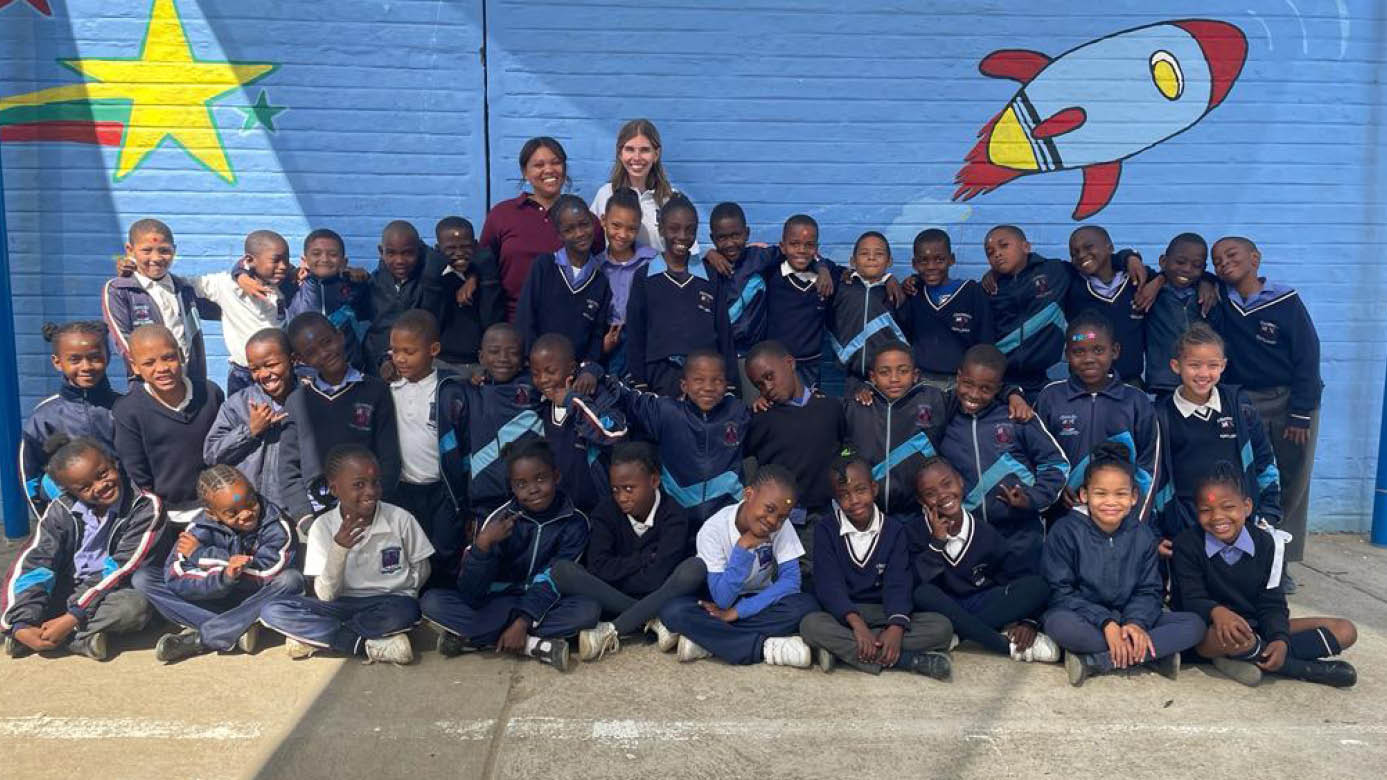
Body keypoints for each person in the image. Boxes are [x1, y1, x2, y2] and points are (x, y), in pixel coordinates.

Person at [421, 440, 601, 672]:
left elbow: (555, 578)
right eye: (521, 484)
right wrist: (483, 546)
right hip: (499, 603)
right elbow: (471, 593)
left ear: (556, 476)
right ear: (512, 487)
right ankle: (531, 645)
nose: (533, 489)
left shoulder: (574, 522)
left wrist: (522, 621)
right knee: (432, 602)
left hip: (545, 604)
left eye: (540, 478)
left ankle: (477, 639)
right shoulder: (499, 521)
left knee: (588, 610)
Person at [1172, 463, 1357, 688]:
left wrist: (1280, 639)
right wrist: (1217, 612)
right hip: (1213, 634)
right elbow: (1190, 600)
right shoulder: (1187, 544)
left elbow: (1272, 601)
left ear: (1247, 506)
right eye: (1205, 510)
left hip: (1257, 626)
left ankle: (1255, 656)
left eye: (1228, 506)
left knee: (1345, 630)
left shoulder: (1266, 544)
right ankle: (1298, 668)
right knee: (1225, 638)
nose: (1217, 517)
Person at [1042, 443, 1205, 686]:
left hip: (1128, 616)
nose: (1111, 502)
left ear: (1133, 497)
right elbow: (1060, 592)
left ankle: (1097, 661)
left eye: (1120, 494)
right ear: (1085, 495)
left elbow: (1149, 591)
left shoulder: (1143, 534)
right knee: (1060, 625)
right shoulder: (1066, 531)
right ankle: (1149, 654)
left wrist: (1135, 623)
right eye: (1100, 494)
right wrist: (1106, 623)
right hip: (1085, 618)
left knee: (1194, 625)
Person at [1208, 236, 1321, 578]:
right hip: (1244, 401)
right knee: (1248, 478)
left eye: (1232, 255)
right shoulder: (1219, 303)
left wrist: (1301, 412)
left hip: (1291, 403)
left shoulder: (1286, 301)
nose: (1224, 262)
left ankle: (1280, 560)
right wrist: (1207, 282)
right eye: (1217, 260)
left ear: (1255, 258)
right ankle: (1247, 554)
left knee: (1291, 481)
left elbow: (1307, 357)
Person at [260, 445, 431, 664]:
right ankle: (365, 644)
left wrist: (405, 588)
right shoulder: (323, 527)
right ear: (334, 489)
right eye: (359, 485)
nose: (370, 491)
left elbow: (422, 569)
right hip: (339, 604)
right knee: (273, 610)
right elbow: (326, 595)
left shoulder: (400, 519)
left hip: (388, 603)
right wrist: (339, 548)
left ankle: (316, 637)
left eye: (375, 482)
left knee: (408, 609)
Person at [2, 435, 160, 660]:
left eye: (102, 474)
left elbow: (121, 568)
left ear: (112, 462)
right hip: (66, 589)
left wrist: (73, 616)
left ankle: (65, 636)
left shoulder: (143, 506)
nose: (100, 486)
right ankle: (45, 635)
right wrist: (20, 622)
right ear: (70, 491)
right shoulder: (61, 510)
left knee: (135, 607)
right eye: (85, 487)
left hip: (110, 589)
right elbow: (36, 561)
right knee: (26, 596)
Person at [799, 456, 954, 678]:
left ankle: (843, 651)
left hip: (882, 611)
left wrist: (896, 627)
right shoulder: (826, 529)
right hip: (844, 614)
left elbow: (898, 583)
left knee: (942, 628)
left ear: (874, 489)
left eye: (860, 490)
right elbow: (828, 585)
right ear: (836, 499)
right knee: (810, 625)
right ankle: (907, 660)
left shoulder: (894, 530)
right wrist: (857, 626)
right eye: (844, 495)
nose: (854, 500)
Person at [137, 465, 303, 662]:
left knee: (291, 580)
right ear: (212, 514)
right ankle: (240, 626)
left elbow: (269, 572)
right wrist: (223, 577)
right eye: (232, 513)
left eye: (251, 503)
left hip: (258, 597)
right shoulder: (199, 527)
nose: (246, 514)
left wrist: (202, 556)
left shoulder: (277, 524)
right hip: (216, 597)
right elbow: (176, 575)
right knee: (144, 579)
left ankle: (204, 638)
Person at [658, 465, 820, 667]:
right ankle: (764, 648)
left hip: (759, 600)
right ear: (748, 494)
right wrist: (742, 548)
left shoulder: (780, 526)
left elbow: (791, 581)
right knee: (673, 611)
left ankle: (708, 641)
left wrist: (738, 612)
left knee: (806, 604)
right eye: (769, 509)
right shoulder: (713, 530)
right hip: (718, 599)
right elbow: (723, 599)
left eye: (782, 516)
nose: (773, 521)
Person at [560, 442, 706, 661]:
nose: (622, 497)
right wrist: (644, 559)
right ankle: (651, 620)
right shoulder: (605, 512)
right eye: (615, 489)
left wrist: (619, 570)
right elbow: (598, 568)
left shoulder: (674, 516)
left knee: (693, 570)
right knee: (562, 572)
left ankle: (616, 627)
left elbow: (657, 579)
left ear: (654, 481)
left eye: (629, 488)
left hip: (656, 595)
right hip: (622, 598)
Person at [910, 457, 1058, 662]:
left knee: (1037, 586)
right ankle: (1003, 645)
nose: (942, 495)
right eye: (930, 493)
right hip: (941, 611)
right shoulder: (913, 531)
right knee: (922, 592)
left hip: (979, 605)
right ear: (921, 501)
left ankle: (961, 633)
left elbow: (1014, 577)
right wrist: (937, 543)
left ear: (960, 482)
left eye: (947, 484)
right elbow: (914, 582)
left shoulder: (985, 533)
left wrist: (1028, 621)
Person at [1152, 323, 1281, 559]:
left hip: (1236, 524)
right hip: (1184, 525)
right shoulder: (1160, 416)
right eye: (1194, 365)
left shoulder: (1240, 408)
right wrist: (1155, 532)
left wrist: (1267, 516)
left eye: (1212, 365)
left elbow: (1264, 463)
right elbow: (1151, 478)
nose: (1203, 373)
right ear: (1175, 366)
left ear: (1223, 366)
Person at [938, 344, 1069, 569]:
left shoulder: (1017, 417)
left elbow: (1055, 464)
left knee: (1026, 596)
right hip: (968, 535)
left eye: (985, 389)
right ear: (958, 376)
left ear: (998, 388)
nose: (974, 395)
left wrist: (1033, 498)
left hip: (1022, 536)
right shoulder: (943, 412)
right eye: (968, 384)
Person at [982, 224, 1143, 398]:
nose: (997, 253)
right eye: (990, 252)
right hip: (1001, 379)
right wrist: (991, 274)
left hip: (1039, 380)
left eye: (1004, 246)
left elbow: (1098, 261)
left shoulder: (1056, 271)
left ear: (1026, 247)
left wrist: (1129, 257)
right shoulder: (990, 289)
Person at [605, 349, 750, 536]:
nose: (708, 387)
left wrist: (764, 401)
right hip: (678, 522)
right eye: (699, 380)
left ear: (726, 384)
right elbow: (625, 396)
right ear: (684, 385)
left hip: (728, 521)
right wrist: (592, 371)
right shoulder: (666, 413)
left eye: (717, 380)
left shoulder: (738, 412)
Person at [280, 312, 401, 531]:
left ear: (340, 336)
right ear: (301, 360)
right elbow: (289, 469)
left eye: (327, 342)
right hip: (319, 518)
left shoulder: (375, 391)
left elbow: (389, 457)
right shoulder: (297, 402)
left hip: (369, 512)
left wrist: (373, 507)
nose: (324, 353)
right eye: (311, 352)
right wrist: (305, 518)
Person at [1034, 311, 1159, 518]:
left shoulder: (1135, 401)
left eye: (1098, 350)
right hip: (1064, 516)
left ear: (1115, 351)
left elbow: (1149, 465)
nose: (1089, 359)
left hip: (1120, 516)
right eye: (1079, 352)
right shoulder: (1051, 397)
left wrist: (1136, 514)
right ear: (1067, 355)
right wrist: (1054, 488)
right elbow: (1035, 453)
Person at [436, 323, 544, 538]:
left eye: (512, 352)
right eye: (494, 352)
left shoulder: (535, 386)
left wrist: (590, 370)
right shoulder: (469, 390)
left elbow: (568, 368)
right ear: (481, 357)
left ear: (524, 359)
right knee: (484, 560)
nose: (503, 358)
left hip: (530, 498)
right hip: (483, 502)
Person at [625, 195, 737, 397]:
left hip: (706, 376)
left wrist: (730, 383)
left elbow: (724, 332)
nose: (682, 236)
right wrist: (639, 381)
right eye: (674, 228)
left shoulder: (710, 276)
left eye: (690, 229)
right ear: (661, 229)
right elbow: (636, 332)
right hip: (659, 375)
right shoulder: (645, 277)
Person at [112, 324, 224, 525]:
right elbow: (136, 471)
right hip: (164, 516)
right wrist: (156, 512)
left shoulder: (209, 393)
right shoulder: (128, 410)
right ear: (135, 366)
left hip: (214, 510)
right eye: (149, 363)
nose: (161, 368)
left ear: (180, 355)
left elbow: (223, 449)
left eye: (168, 357)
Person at [743, 340, 846, 558]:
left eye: (770, 377)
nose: (767, 388)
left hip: (824, 514)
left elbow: (847, 449)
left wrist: (842, 469)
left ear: (789, 363)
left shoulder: (830, 408)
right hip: (779, 520)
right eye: (759, 385)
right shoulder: (762, 417)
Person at [481, 137, 604, 319]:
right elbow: (482, 262)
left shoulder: (585, 221)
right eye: (538, 165)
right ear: (525, 172)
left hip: (566, 323)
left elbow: (599, 268)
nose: (548, 170)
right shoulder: (502, 215)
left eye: (556, 163)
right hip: (511, 323)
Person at [387, 310, 468, 585]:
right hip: (405, 489)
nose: (400, 359)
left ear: (433, 350)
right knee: (410, 548)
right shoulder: (389, 389)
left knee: (445, 549)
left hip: (443, 489)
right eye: (395, 351)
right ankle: (414, 602)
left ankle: (443, 604)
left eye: (409, 351)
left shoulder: (450, 388)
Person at [21, 321, 122, 519]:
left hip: (124, 514)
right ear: (57, 362)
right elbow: (31, 478)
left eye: (94, 358)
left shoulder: (124, 408)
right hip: (73, 521)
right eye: (75, 360)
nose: (86, 367)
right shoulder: (43, 418)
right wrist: (52, 523)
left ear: (108, 357)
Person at [103, 218, 221, 385]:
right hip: (149, 387)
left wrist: (242, 271)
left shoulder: (185, 289)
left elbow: (232, 304)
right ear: (130, 250)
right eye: (146, 250)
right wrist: (153, 372)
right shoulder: (121, 290)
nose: (156, 258)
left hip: (192, 384)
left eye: (164, 250)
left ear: (175, 251)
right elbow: (123, 342)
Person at [843, 342, 948, 515]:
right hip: (869, 513)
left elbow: (974, 392)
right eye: (884, 372)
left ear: (915, 375)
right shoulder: (856, 407)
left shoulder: (935, 400)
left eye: (903, 371)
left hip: (918, 512)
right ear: (873, 377)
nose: (894, 378)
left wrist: (1008, 392)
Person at [528, 333, 628, 514]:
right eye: (536, 374)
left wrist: (573, 402)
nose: (543, 379)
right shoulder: (542, 402)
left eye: (550, 371)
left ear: (572, 368)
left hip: (598, 506)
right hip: (561, 510)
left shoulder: (595, 395)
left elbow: (615, 434)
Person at [515, 194, 613, 377]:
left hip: (574, 375)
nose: (580, 233)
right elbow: (525, 317)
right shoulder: (544, 266)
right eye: (569, 229)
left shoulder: (601, 280)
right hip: (538, 372)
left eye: (584, 224)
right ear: (559, 234)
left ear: (593, 223)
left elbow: (596, 334)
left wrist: (587, 368)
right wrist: (532, 363)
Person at [203, 328, 297, 514]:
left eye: (271, 364)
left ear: (292, 360)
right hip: (250, 511)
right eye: (254, 369)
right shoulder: (238, 404)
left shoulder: (307, 400)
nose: (263, 374)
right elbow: (212, 455)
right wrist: (250, 431)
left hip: (295, 510)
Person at [894, 228, 993, 390]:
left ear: (951, 260)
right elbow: (904, 335)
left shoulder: (972, 291)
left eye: (939, 259)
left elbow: (985, 340)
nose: (931, 266)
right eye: (923, 261)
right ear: (914, 264)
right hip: (922, 380)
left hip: (962, 381)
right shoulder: (914, 293)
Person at [196, 230, 294, 395]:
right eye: (276, 260)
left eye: (286, 260)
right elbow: (187, 284)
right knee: (242, 417)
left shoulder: (287, 285)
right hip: (243, 374)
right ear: (249, 260)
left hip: (280, 373)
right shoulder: (226, 285)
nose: (283, 266)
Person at [590, 118, 690, 253]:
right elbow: (589, 240)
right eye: (630, 149)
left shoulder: (671, 199)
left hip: (656, 273)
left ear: (656, 154)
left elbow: (689, 246)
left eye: (644, 150)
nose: (636, 157)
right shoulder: (605, 194)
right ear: (620, 153)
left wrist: (707, 252)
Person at [1062, 226, 1147, 383]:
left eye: (1088, 247)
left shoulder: (1137, 279)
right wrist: (1129, 256)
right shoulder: (1071, 284)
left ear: (1110, 247)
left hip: (1130, 381)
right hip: (1083, 381)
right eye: (1074, 253)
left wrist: (1131, 257)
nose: (1081, 255)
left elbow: (1171, 277)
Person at [762, 214, 836, 390]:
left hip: (811, 366)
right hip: (775, 364)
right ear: (783, 246)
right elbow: (743, 259)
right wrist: (711, 253)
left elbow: (859, 277)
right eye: (794, 244)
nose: (802, 250)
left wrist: (889, 280)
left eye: (809, 245)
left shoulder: (827, 277)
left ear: (816, 249)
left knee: (808, 412)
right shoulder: (770, 273)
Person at [828, 231, 909, 388]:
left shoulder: (897, 293)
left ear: (889, 261)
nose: (871, 258)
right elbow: (821, 266)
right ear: (852, 261)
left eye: (879, 253)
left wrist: (894, 279)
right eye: (864, 253)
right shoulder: (841, 287)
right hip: (850, 376)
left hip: (888, 378)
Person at [363, 220, 444, 376]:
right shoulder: (374, 283)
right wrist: (383, 360)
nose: (400, 261)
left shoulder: (428, 281)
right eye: (391, 253)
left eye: (408, 253)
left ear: (419, 250)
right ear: (381, 252)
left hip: (419, 366)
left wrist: (425, 249)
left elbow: (439, 260)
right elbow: (377, 330)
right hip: (379, 366)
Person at [595, 187, 658, 378]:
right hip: (606, 338)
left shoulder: (651, 262)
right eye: (616, 225)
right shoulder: (596, 265)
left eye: (631, 229)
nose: (622, 234)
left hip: (641, 338)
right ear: (603, 220)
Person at [287, 228, 371, 372]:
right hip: (308, 376)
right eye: (316, 254)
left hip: (350, 372)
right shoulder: (292, 288)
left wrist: (365, 277)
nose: (324, 259)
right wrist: (240, 272)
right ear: (304, 261)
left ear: (344, 262)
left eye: (332, 254)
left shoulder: (356, 288)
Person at [434, 216, 504, 377]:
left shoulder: (486, 277)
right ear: (438, 249)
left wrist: (477, 277)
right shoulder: (436, 279)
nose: (459, 254)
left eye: (466, 247)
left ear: (475, 245)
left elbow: (492, 318)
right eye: (450, 249)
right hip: (442, 361)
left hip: (479, 364)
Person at [1143, 233, 1209, 396]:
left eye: (1196, 265)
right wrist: (1159, 278)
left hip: (1202, 380)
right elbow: (1122, 261)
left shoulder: (1207, 296)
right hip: (1164, 380)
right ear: (1163, 261)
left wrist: (1208, 280)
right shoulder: (1149, 290)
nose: (1187, 269)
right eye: (1180, 262)